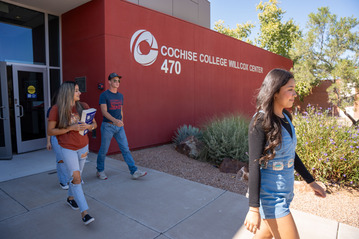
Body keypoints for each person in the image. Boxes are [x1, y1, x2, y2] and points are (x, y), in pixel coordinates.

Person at [244, 69, 326, 238]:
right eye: (290, 89)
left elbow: (291, 155)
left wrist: (311, 182)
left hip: (286, 193)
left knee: (264, 236)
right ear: (275, 91)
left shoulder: (286, 117)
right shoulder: (260, 121)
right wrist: (253, 208)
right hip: (271, 197)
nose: (294, 94)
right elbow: (254, 165)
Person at [47, 81, 97, 225]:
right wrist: (71, 128)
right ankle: (85, 213)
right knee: (76, 178)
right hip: (67, 148)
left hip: (83, 147)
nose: (79, 92)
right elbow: (51, 131)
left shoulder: (84, 106)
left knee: (77, 178)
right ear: (68, 92)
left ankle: (70, 198)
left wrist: (90, 126)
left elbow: (95, 124)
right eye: (76, 90)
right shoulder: (56, 109)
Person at [96, 72, 147, 180]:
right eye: (114, 80)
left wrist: (121, 122)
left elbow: (121, 110)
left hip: (119, 127)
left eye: (118, 80)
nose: (117, 82)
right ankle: (100, 170)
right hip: (108, 126)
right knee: (104, 150)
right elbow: (104, 112)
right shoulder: (104, 95)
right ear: (109, 82)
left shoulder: (120, 96)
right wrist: (115, 121)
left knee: (125, 149)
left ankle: (134, 171)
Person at [46, 91, 69, 190]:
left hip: (67, 137)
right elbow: (49, 128)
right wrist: (48, 141)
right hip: (56, 138)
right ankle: (63, 181)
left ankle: (70, 179)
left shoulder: (67, 108)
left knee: (67, 160)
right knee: (61, 160)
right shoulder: (52, 109)